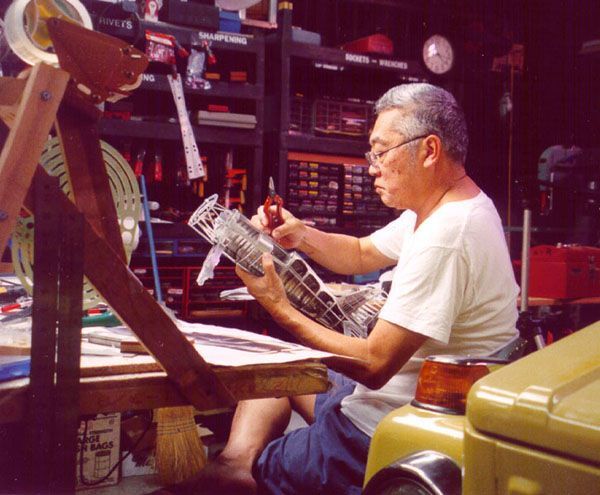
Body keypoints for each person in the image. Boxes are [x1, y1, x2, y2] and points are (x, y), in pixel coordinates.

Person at [164, 83, 519, 494]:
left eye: (381, 152)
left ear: (429, 150)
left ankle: (245, 473)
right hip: (391, 397)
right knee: (280, 374)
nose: (372, 167)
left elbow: (374, 365)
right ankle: (234, 465)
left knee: (251, 470)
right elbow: (362, 253)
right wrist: (300, 235)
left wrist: (278, 306)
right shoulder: (448, 207)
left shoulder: (447, 234)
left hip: (378, 428)